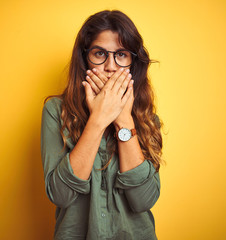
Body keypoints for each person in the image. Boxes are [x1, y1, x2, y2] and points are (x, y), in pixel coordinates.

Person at [41, 10, 164, 240]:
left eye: (121, 54)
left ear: (132, 63)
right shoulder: (56, 112)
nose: (110, 66)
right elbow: (60, 195)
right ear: (84, 58)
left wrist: (123, 120)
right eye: (99, 53)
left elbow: (144, 200)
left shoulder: (147, 118)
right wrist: (98, 119)